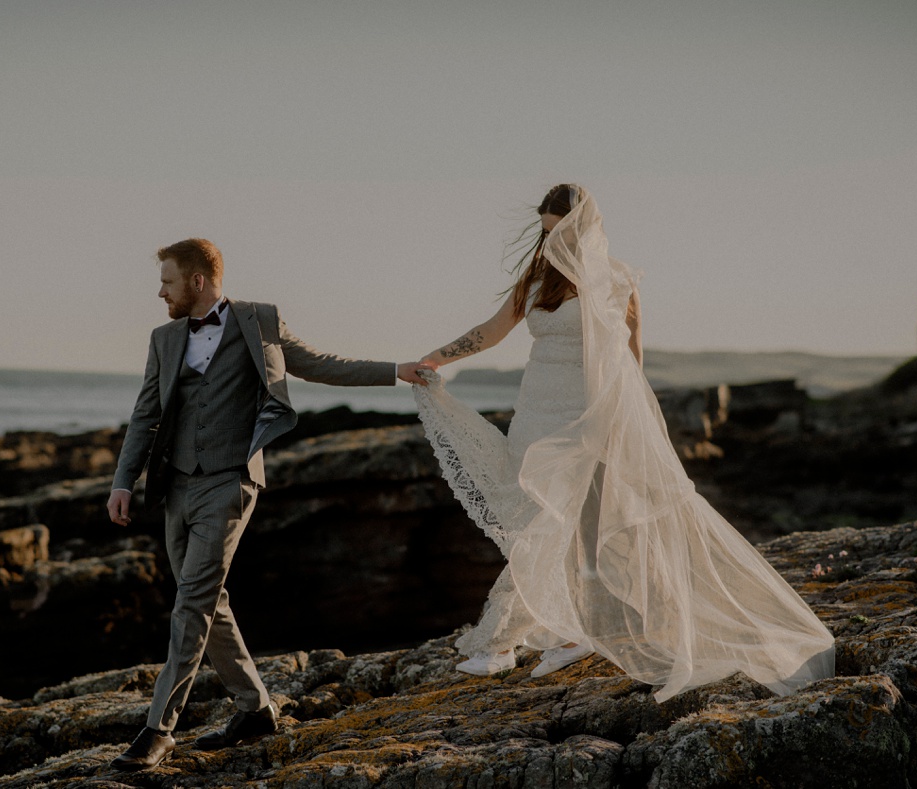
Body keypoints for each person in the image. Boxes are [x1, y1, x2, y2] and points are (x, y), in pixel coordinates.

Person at [413, 185, 834, 699]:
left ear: (584, 228)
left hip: (586, 418)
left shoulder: (617, 280)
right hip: (535, 415)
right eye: (545, 232)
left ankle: (502, 642)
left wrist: (630, 430)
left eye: (559, 231)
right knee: (539, 519)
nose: (550, 241)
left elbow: (633, 362)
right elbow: (494, 330)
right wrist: (435, 358)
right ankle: (571, 632)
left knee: (566, 524)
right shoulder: (537, 277)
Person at [107, 238, 428, 771]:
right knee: (209, 601)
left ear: (197, 281)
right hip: (175, 487)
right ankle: (256, 708)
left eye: (166, 281)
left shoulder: (260, 321)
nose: (158, 291)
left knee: (191, 601)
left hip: (230, 483)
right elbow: (145, 415)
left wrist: (396, 369)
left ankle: (158, 729)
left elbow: (319, 364)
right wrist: (123, 482)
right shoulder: (163, 338)